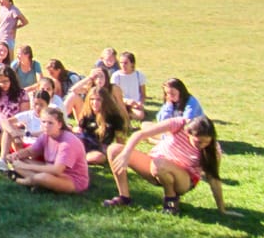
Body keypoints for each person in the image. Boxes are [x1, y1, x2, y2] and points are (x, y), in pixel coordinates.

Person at [104, 116, 234, 216]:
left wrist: (222, 209)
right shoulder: (180, 124)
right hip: (155, 165)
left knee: (160, 165)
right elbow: (140, 134)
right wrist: (126, 153)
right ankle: (124, 198)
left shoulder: (213, 149)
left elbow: (213, 179)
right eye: (199, 141)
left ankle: (171, 200)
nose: (203, 145)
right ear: (188, 133)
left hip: (183, 179)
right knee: (115, 150)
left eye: (207, 142)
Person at [4, 106, 90, 193]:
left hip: (71, 179)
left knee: (41, 177)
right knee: (17, 162)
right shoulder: (45, 136)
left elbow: (57, 170)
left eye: (50, 123)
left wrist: (25, 166)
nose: (46, 125)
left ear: (59, 124)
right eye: (43, 122)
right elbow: (30, 151)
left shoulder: (67, 142)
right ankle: (39, 183)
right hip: (50, 170)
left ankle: (22, 181)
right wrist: (16, 155)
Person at [74, 87, 127, 166]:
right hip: (84, 143)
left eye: (98, 99)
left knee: (98, 157)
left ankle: (77, 159)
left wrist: (123, 155)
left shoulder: (114, 117)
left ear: (105, 101)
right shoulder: (87, 114)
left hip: (100, 148)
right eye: (92, 99)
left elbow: (120, 140)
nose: (95, 102)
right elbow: (80, 130)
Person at [110, 51, 147, 121]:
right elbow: (113, 95)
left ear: (132, 63)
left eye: (126, 63)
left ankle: (125, 115)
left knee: (140, 115)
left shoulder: (139, 75)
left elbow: (143, 94)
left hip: (135, 105)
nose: (123, 65)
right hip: (120, 102)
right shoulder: (116, 76)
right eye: (121, 63)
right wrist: (126, 101)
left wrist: (140, 103)